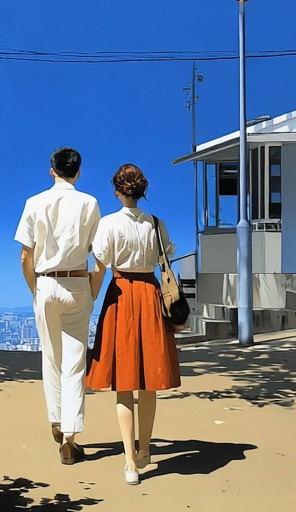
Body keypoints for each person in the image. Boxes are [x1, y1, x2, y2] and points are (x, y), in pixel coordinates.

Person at [86, 164, 181, 485]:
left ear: (117, 191)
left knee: (124, 381)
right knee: (148, 379)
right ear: (142, 191)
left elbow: (100, 264)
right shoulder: (156, 224)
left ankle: (129, 461)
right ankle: (145, 449)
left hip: (122, 295)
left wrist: (91, 297)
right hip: (150, 294)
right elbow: (167, 256)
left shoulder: (108, 224)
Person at [14, 146, 100, 466]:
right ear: (78, 172)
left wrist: (36, 289)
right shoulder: (90, 203)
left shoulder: (34, 202)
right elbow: (99, 255)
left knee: (51, 357)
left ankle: (56, 419)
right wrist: (93, 290)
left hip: (46, 283)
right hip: (78, 282)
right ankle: (69, 439)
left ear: (52, 170)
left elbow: (25, 255)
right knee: (75, 363)